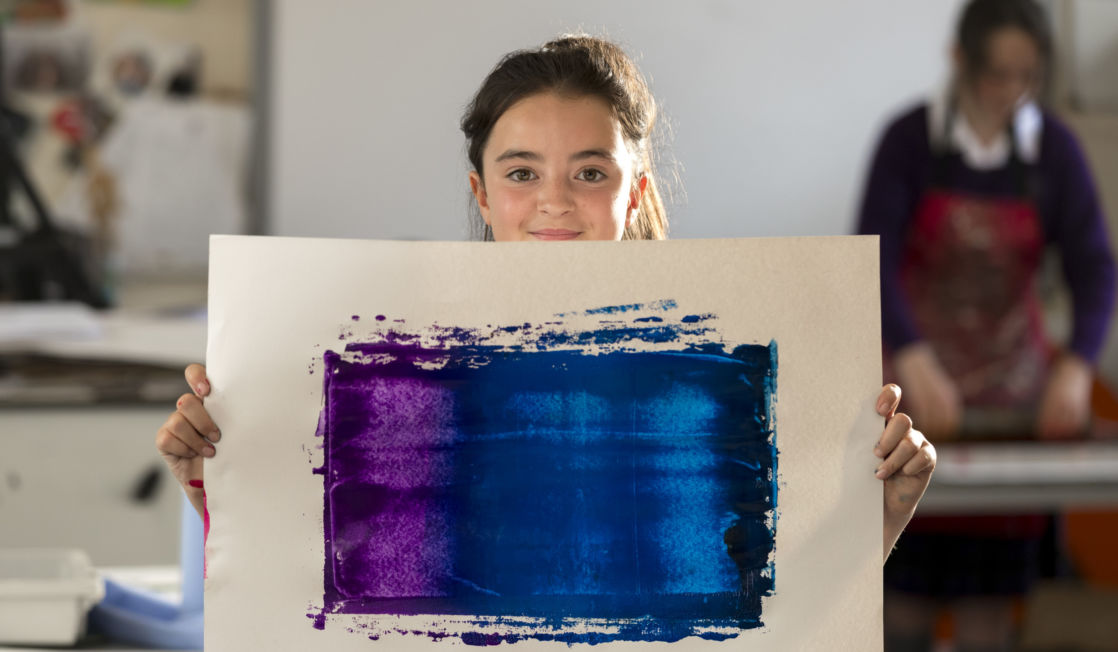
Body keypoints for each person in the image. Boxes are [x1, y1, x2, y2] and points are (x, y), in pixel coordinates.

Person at [156, 35, 936, 567]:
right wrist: (217, 478)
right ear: (483, 194)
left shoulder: (718, 378)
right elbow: (320, 579)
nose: (555, 201)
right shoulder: (404, 376)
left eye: (590, 172)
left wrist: (882, 514)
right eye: (522, 172)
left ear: (636, 194)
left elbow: (775, 593)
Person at [856, 1, 1116, 649]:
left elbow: (1094, 266)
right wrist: (912, 356)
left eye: (1026, 74)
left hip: (1014, 406)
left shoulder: (1053, 151)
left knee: (988, 618)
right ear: (959, 62)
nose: (1010, 90)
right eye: (997, 73)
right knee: (902, 614)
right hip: (918, 404)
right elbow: (871, 260)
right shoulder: (909, 141)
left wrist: (1078, 365)